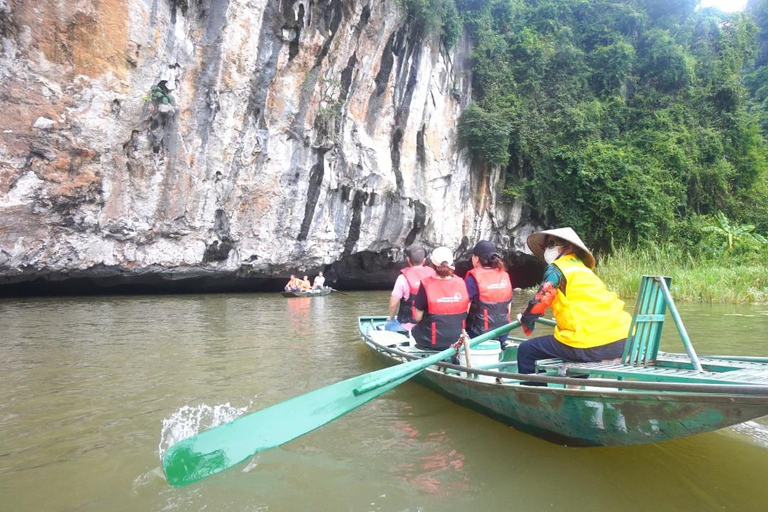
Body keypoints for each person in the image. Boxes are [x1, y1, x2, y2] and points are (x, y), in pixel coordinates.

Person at [515, 227, 632, 381]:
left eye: (551, 244)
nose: (547, 250)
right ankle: (573, 391)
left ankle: (535, 399)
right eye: (546, 246)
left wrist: (526, 319)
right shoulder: (585, 271)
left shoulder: (557, 269)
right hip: (626, 341)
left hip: (591, 344)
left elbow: (541, 299)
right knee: (574, 345)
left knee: (526, 350)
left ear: (568, 247)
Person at [411, 246, 470, 350]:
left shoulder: (426, 285)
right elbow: (467, 311)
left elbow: (417, 317)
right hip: (459, 341)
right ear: (452, 263)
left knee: (414, 330)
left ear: (432, 265)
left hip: (432, 343)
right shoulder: (461, 282)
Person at [465, 240, 513, 347]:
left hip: (478, 335)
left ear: (476, 258)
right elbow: (508, 308)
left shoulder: (473, 278)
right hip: (503, 333)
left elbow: (465, 310)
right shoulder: (504, 276)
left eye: (473, 256)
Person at [384, 245, 437, 332]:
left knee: (388, 325)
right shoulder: (434, 275)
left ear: (408, 260)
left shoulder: (402, 278)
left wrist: (391, 317)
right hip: (429, 324)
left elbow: (393, 304)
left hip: (407, 327)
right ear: (424, 260)